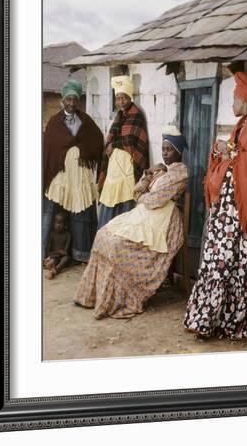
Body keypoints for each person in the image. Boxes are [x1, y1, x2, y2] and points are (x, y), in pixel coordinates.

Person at [183, 71, 247, 340]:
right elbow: (237, 155)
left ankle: (231, 322)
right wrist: (222, 150)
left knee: (235, 266)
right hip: (228, 215)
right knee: (218, 263)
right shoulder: (243, 125)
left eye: (235, 98)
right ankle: (208, 321)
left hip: (241, 215)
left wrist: (230, 151)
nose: (232, 103)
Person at [74, 126, 188, 319]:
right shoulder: (163, 171)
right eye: (163, 149)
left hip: (163, 219)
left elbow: (155, 200)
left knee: (118, 245)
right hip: (146, 215)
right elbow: (138, 190)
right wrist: (149, 175)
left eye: (169, 149)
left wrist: (143, 195)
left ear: (178, 151)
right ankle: (93, 297)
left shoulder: (180, 175)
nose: (165, 153)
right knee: (104, 234)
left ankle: (120, 299)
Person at [42, 79, 103, 262]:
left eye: (75, 99)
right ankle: (45, 252)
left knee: (81, 212)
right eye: (68, 99)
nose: (71, 103)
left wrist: (83, 150)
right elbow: (49, 148)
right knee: (51, 211)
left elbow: (98, 140)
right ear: (63, 99)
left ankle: (80, 253)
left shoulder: (85, 120)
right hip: (60, 176)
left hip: (80, 176)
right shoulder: (54, 122)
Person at [97, 75, 149, 229]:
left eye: (124, 98)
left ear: (129, 97)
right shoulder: (119, 116)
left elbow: (133, 140)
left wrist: (115, 144)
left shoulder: (136, 115)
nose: (121, 101)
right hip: (114, 169)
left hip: (128, 167)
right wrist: (111, 146)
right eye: (118, 98)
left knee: (125, 202)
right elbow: (113, 139)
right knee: (110, 200)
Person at [43, 212, 71, 279]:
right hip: (54, 257)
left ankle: (54, 271)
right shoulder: (52, 234)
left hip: (61, 258)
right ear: (53, 223)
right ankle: (50, 266)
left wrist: (59, 253)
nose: (58, 225)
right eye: (56, 222)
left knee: (66, 258)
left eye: (60, 223)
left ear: (65, 225)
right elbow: (48, 252)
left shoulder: (68, 235)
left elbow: (65, 252)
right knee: (52, 260)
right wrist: (59, 251)